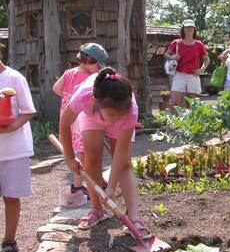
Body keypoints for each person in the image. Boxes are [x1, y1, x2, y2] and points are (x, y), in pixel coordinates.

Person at [59, 67, 149, 237]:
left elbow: (120, 155)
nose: (115, 120)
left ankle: (134, 218)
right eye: (112, 115)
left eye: (119, 115)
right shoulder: (84, 97)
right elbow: (64, 124)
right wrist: (70, 159)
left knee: (124, 165)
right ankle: (96, 209)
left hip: (115, 114)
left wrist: (111, 187)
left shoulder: (129, 111)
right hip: (91, 115)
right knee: (91, 158)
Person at [53, 43, 109, 200]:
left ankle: (85, 183)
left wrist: (67, 97)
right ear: (89, 60)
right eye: (98, 65)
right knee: (83, 151)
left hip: (67, 116)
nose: (99, 69)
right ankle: (84, 185)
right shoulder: (88, 78)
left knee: (77, 150)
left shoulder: (69, 73)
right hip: (80, 117)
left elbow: (56, 88)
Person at [0, 61, 36, 252]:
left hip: (14, 150)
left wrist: (13, 126)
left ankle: (9, 242)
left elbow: (28, 111)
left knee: (11, 197)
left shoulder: (14, 78)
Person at [164, 19, 210, 109]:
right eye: (187, 27)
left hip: (193, 76)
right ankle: (173, 122)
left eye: (191, 27)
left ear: (194, 29)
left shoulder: (199, 44)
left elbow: (207, 59)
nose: (189, 28)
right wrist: (173, 57)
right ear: (183, 29)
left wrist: (202, 69)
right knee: (174, 103)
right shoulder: (176, 43)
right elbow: (166, 54)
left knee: (191, 104)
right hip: (179, 75)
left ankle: (189, 122)